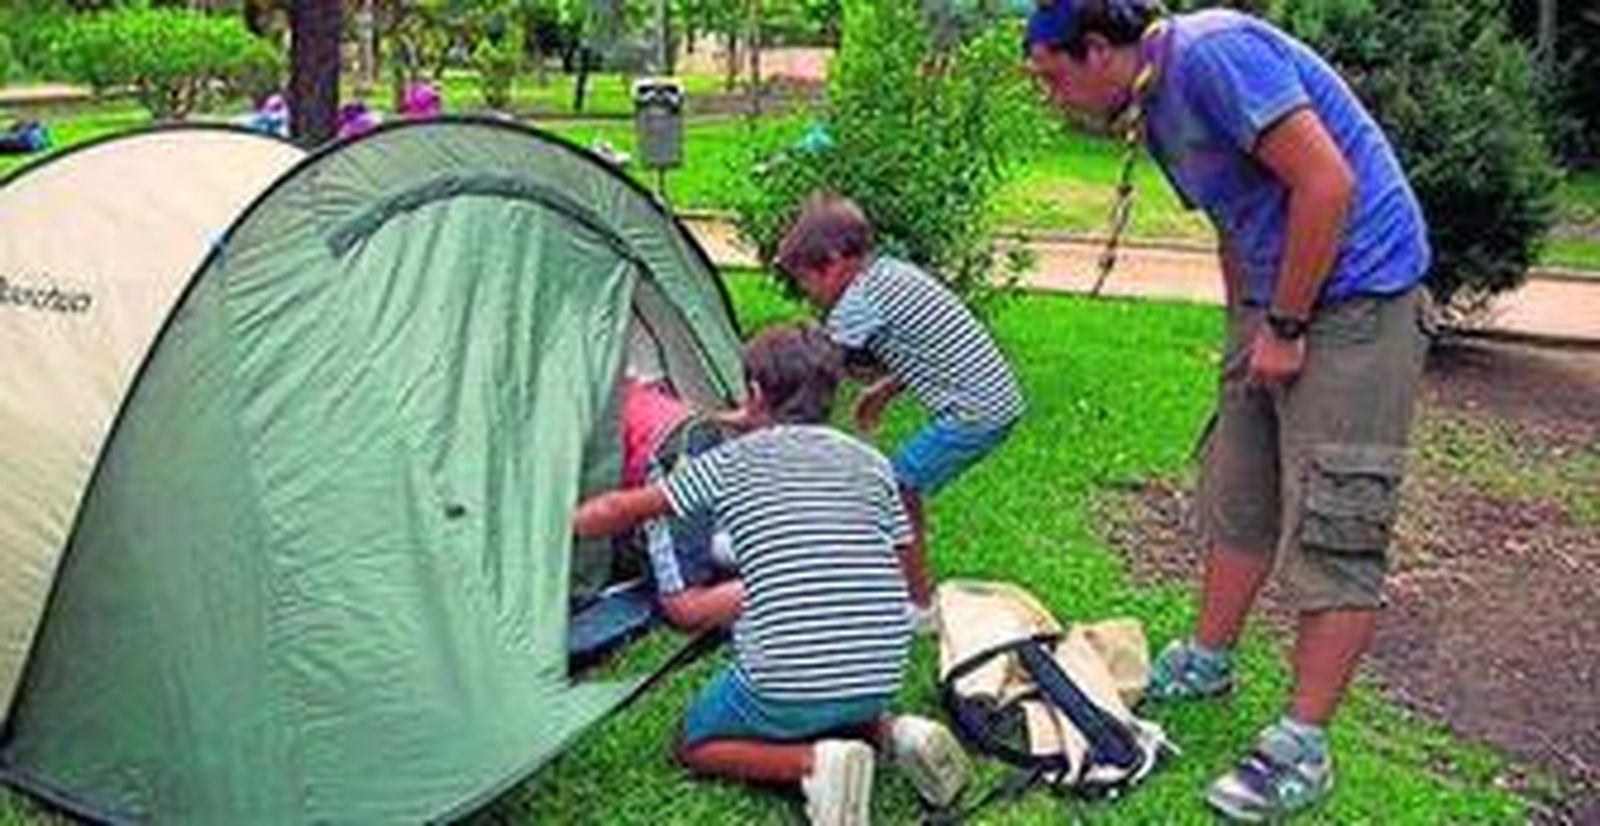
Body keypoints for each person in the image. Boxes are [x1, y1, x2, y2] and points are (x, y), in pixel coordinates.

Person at [1025, 1, 1434, 820]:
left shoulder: (1213, 54)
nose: (1050, 96)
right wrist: (1246, 321)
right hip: (1276, 302)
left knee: (1338, 514)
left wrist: (1286, 325)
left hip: (1360, 298)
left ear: (1098, 49)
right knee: (1238, 485)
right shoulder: (1151, 100)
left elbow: (1327, 182)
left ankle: (1302, 746)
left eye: (1053, 77)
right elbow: (1233, 214)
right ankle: (1208, 660)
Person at [574, 325, 970, 825]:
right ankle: (898, 733)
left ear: (756, 393)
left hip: (783, 678)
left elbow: (622, 508)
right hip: (879, 672)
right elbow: (903, 546)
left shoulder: (729, 463)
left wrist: (559, 525)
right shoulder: (873, 464)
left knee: (694, 742)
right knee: (836, 696)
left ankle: (812, 765)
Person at [774, 195, 1025, 619]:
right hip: (995, 397)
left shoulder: (857, 302)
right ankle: (887, 571)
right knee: (897, 488)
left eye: (806, 282)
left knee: (898, 490)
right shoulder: (890, 273)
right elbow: (931, 345)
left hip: (977, 412)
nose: (809, 294)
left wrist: (778, 426)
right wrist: (886, 389)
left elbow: (815, 370)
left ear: (834, 263)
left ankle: (918, 604)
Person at [618, 375, 741, 631]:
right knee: (713, 533)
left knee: (681, 601)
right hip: (691, 429)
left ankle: (786, 583)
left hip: (666, 451)